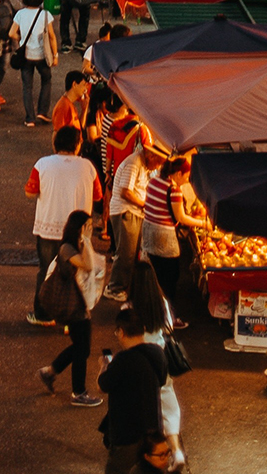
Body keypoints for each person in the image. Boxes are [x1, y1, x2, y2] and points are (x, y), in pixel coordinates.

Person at [24, 124, 103, 307]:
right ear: (77, 145)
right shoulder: (88, 167)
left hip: (48, 228)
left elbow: (30, 192)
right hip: (78, 231)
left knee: (46, 271)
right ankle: (71, 314)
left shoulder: (42, 164)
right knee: (76, 273)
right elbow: (98, 196)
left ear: (56, 143)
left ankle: (42, 313)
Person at [38, 208, 100, 404]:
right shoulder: (67, 248)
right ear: (78, 227)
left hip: (78, 302)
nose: (90, 228)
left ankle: (50, 371)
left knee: (81, 347)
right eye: (87, 225)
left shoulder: (75, 244)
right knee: (82, 349)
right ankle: (78, 392)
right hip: (72, 305)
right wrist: (88, 240)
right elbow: (88, 265)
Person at [129, 262, 185, 470]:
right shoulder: (161, 301)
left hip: (140, 360)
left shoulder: (129, 307)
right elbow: (169, 326)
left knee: (143, 407)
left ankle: (146, 454)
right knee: (169, 403)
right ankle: (176, 450)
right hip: (161, 357)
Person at [97, 304, 166, 474]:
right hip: (152, 430)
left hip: (127, 433)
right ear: (143, 329)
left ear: (121, 332)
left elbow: (102, 386)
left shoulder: (123, 360)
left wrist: (104, 366)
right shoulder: (157, 352)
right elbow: (162, 381)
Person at [139, 154, 195, 311]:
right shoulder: (174, 189)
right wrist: (203, 223)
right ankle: (168, 315)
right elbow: (181, 218)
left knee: (154, 275)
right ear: (178, 174)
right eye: (187, 176)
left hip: (148, 230)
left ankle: (152, 310)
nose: (187, 180)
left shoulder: (154, 180)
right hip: (163, 236)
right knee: (170, 277)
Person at [107, 130, 151, 300]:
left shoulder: (142, 164)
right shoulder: (134, 163)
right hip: (126, 212)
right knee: (126, 253)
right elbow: (126, 192)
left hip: (132, 212)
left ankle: (123, 286)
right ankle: (115, 287)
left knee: (131, 253)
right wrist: (144, 204)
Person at [11, 0, 58, 125]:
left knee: (27, 87)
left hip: (26, 56)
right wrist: (55, 55)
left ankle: (30, 118)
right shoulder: (45, 15)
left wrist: (21, 39)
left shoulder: (20, 14)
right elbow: (51, 36)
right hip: (42, 55)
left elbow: (11, 33)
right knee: (46, 80)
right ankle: (43, 111)